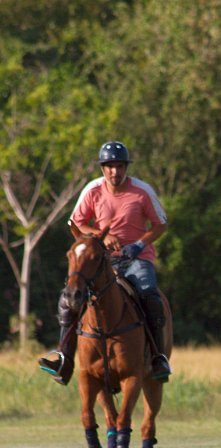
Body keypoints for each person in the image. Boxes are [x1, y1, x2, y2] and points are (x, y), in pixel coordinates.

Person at [38, 141, 172, 384]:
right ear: (102, 168)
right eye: (109, 167)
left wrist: (139, 245)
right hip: (101, 262)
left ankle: (157, 357)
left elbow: (161, 224)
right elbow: (75, 224)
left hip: (136, 259)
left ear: (125, 167)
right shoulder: (92, 190)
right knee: (69, 297)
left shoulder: (142, 191)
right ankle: (63, 357)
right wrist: (100, 235)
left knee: (149, 295)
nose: (114, 172)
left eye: (119, 166)